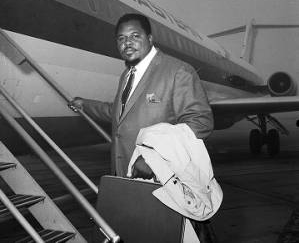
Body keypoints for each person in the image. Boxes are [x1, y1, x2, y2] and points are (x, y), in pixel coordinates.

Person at [69, 13, 214, 178]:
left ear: (150, 38)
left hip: (161, 178)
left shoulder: (178, 71)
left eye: (135, 36)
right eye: (121, 39)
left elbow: (200, 123)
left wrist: (155, 158)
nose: (127, 43)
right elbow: (118, 113)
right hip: (123, 172)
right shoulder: (127, 75)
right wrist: (84, 104)